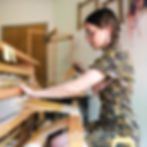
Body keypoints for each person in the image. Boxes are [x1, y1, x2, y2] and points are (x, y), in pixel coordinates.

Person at [20, 8, 140, 147]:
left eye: (91, 33)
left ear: (107, 29)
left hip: (119, 129)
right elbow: (101, 84)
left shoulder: (114, 56)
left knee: (58, 143)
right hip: (106, 123)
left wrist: (35, 93)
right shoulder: (113, 56)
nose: (88, 39)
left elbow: (75, 87)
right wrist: (84, 71)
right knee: (57, 140)